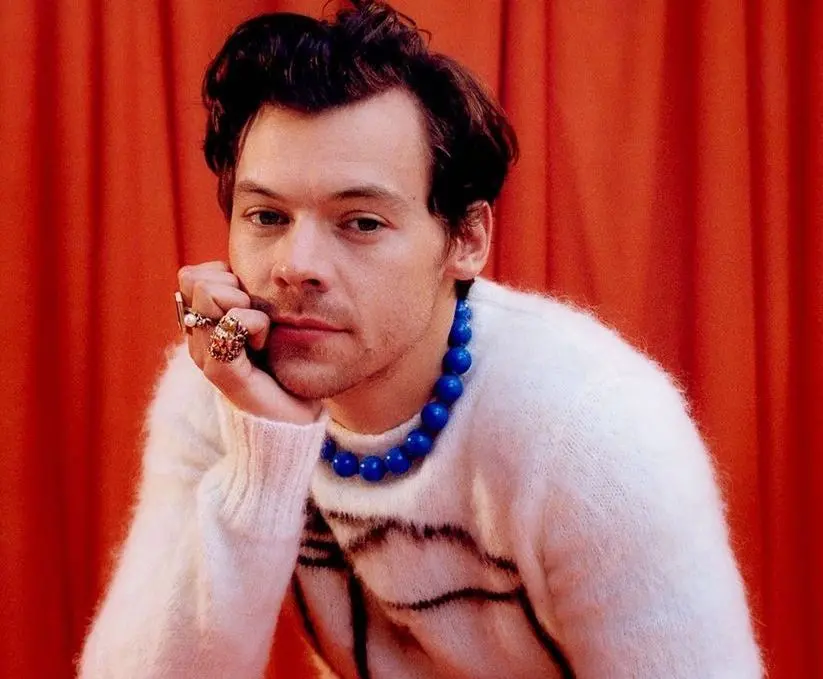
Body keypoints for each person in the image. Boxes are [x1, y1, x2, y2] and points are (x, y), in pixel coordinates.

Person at [79, 2, 763, 677]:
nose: (295, 265)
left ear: (465, 240)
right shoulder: (222, 380)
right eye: (266, 216)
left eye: (361, 222)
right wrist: (263, 447)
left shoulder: (594, 427)